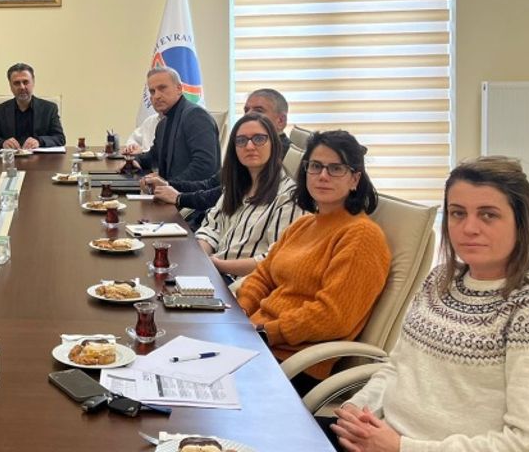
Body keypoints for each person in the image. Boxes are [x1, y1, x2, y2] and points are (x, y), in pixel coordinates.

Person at [331, 157, 529, 452]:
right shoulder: (440, 280)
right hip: (376, 436)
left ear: (522, 223)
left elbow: (527, 444)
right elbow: (398, 367)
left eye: (488, 215)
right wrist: (357, 411)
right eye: (457, 213)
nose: (469, 228)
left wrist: (401, 447)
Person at [236, 130, 391, 394]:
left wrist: (266, 331)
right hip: (256, 340)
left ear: (355, 179)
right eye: (316, 166)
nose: (323, 176)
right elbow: (263, 275)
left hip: (294, 362)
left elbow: (333, 316)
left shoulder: (362, 235)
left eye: (336, 168)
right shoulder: (304, 224)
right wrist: (240, 313)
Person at [192, 113, 304, 280]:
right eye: (241, 140)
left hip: (244, 285)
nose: (249, 146)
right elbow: (212, 227)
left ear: (274, 144)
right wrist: (200, 258)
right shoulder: (237, 186)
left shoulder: (289, 197)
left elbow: (276, 259)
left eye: (259, 139)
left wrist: (218, 265)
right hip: (216, 273)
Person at [149, 88, 294, 212]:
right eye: (246, 110)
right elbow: (212, 184)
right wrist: (168, 184)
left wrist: (179, 198)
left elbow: (226, 195)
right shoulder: (245, 149)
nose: (249, 115)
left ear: (281, 121)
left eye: (258, 110)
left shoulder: (279, 155)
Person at [136, 67, 220, 187]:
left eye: (162, 88)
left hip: (195, 195)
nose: (156, 96)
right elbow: (154, 156)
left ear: (179, 89)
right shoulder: (163, 124)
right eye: (152, 91)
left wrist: (169, 185)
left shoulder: (196, 116)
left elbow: (204, 166)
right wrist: (135, 161)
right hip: (171, 194)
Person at [0, 62, 66, 150]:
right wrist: (3, 143)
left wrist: (39, 141)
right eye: (16, 83)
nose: (22, 87)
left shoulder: (49, 109)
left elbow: (60, 138)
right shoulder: (0, 110)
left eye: (26, 82)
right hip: (11, 157)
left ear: (33, 82)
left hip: (39, 157)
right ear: (10, 86)